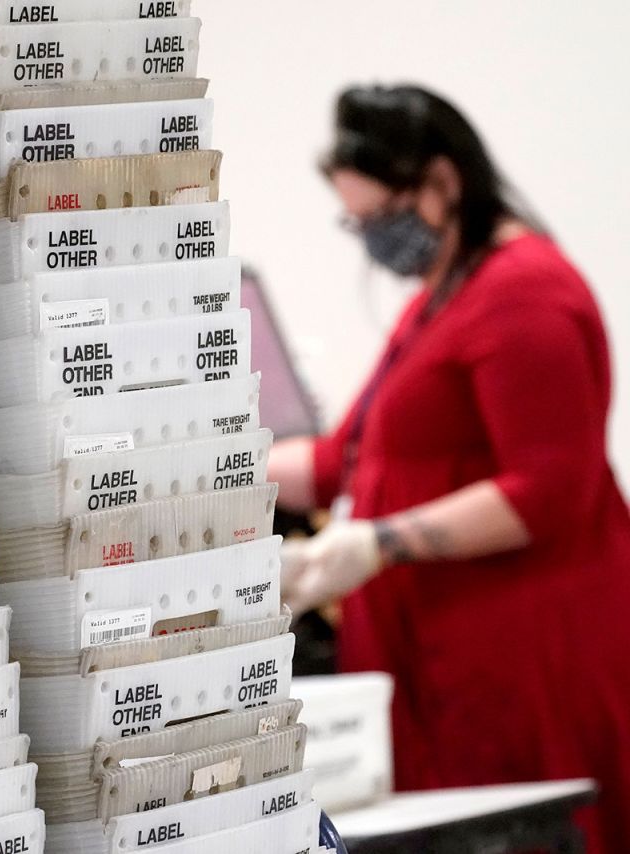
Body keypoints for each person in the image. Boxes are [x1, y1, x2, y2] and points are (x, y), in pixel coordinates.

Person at [272, 84, 630, 852]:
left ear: (442, 183)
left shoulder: (526, 294)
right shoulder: (442, 296)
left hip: (521, 669)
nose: (375, 240)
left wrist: (378, 543)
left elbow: (548, 493)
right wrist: (208, 473)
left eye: (384, 218)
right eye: (358, 223)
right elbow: (345, 459)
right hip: (444, 671)